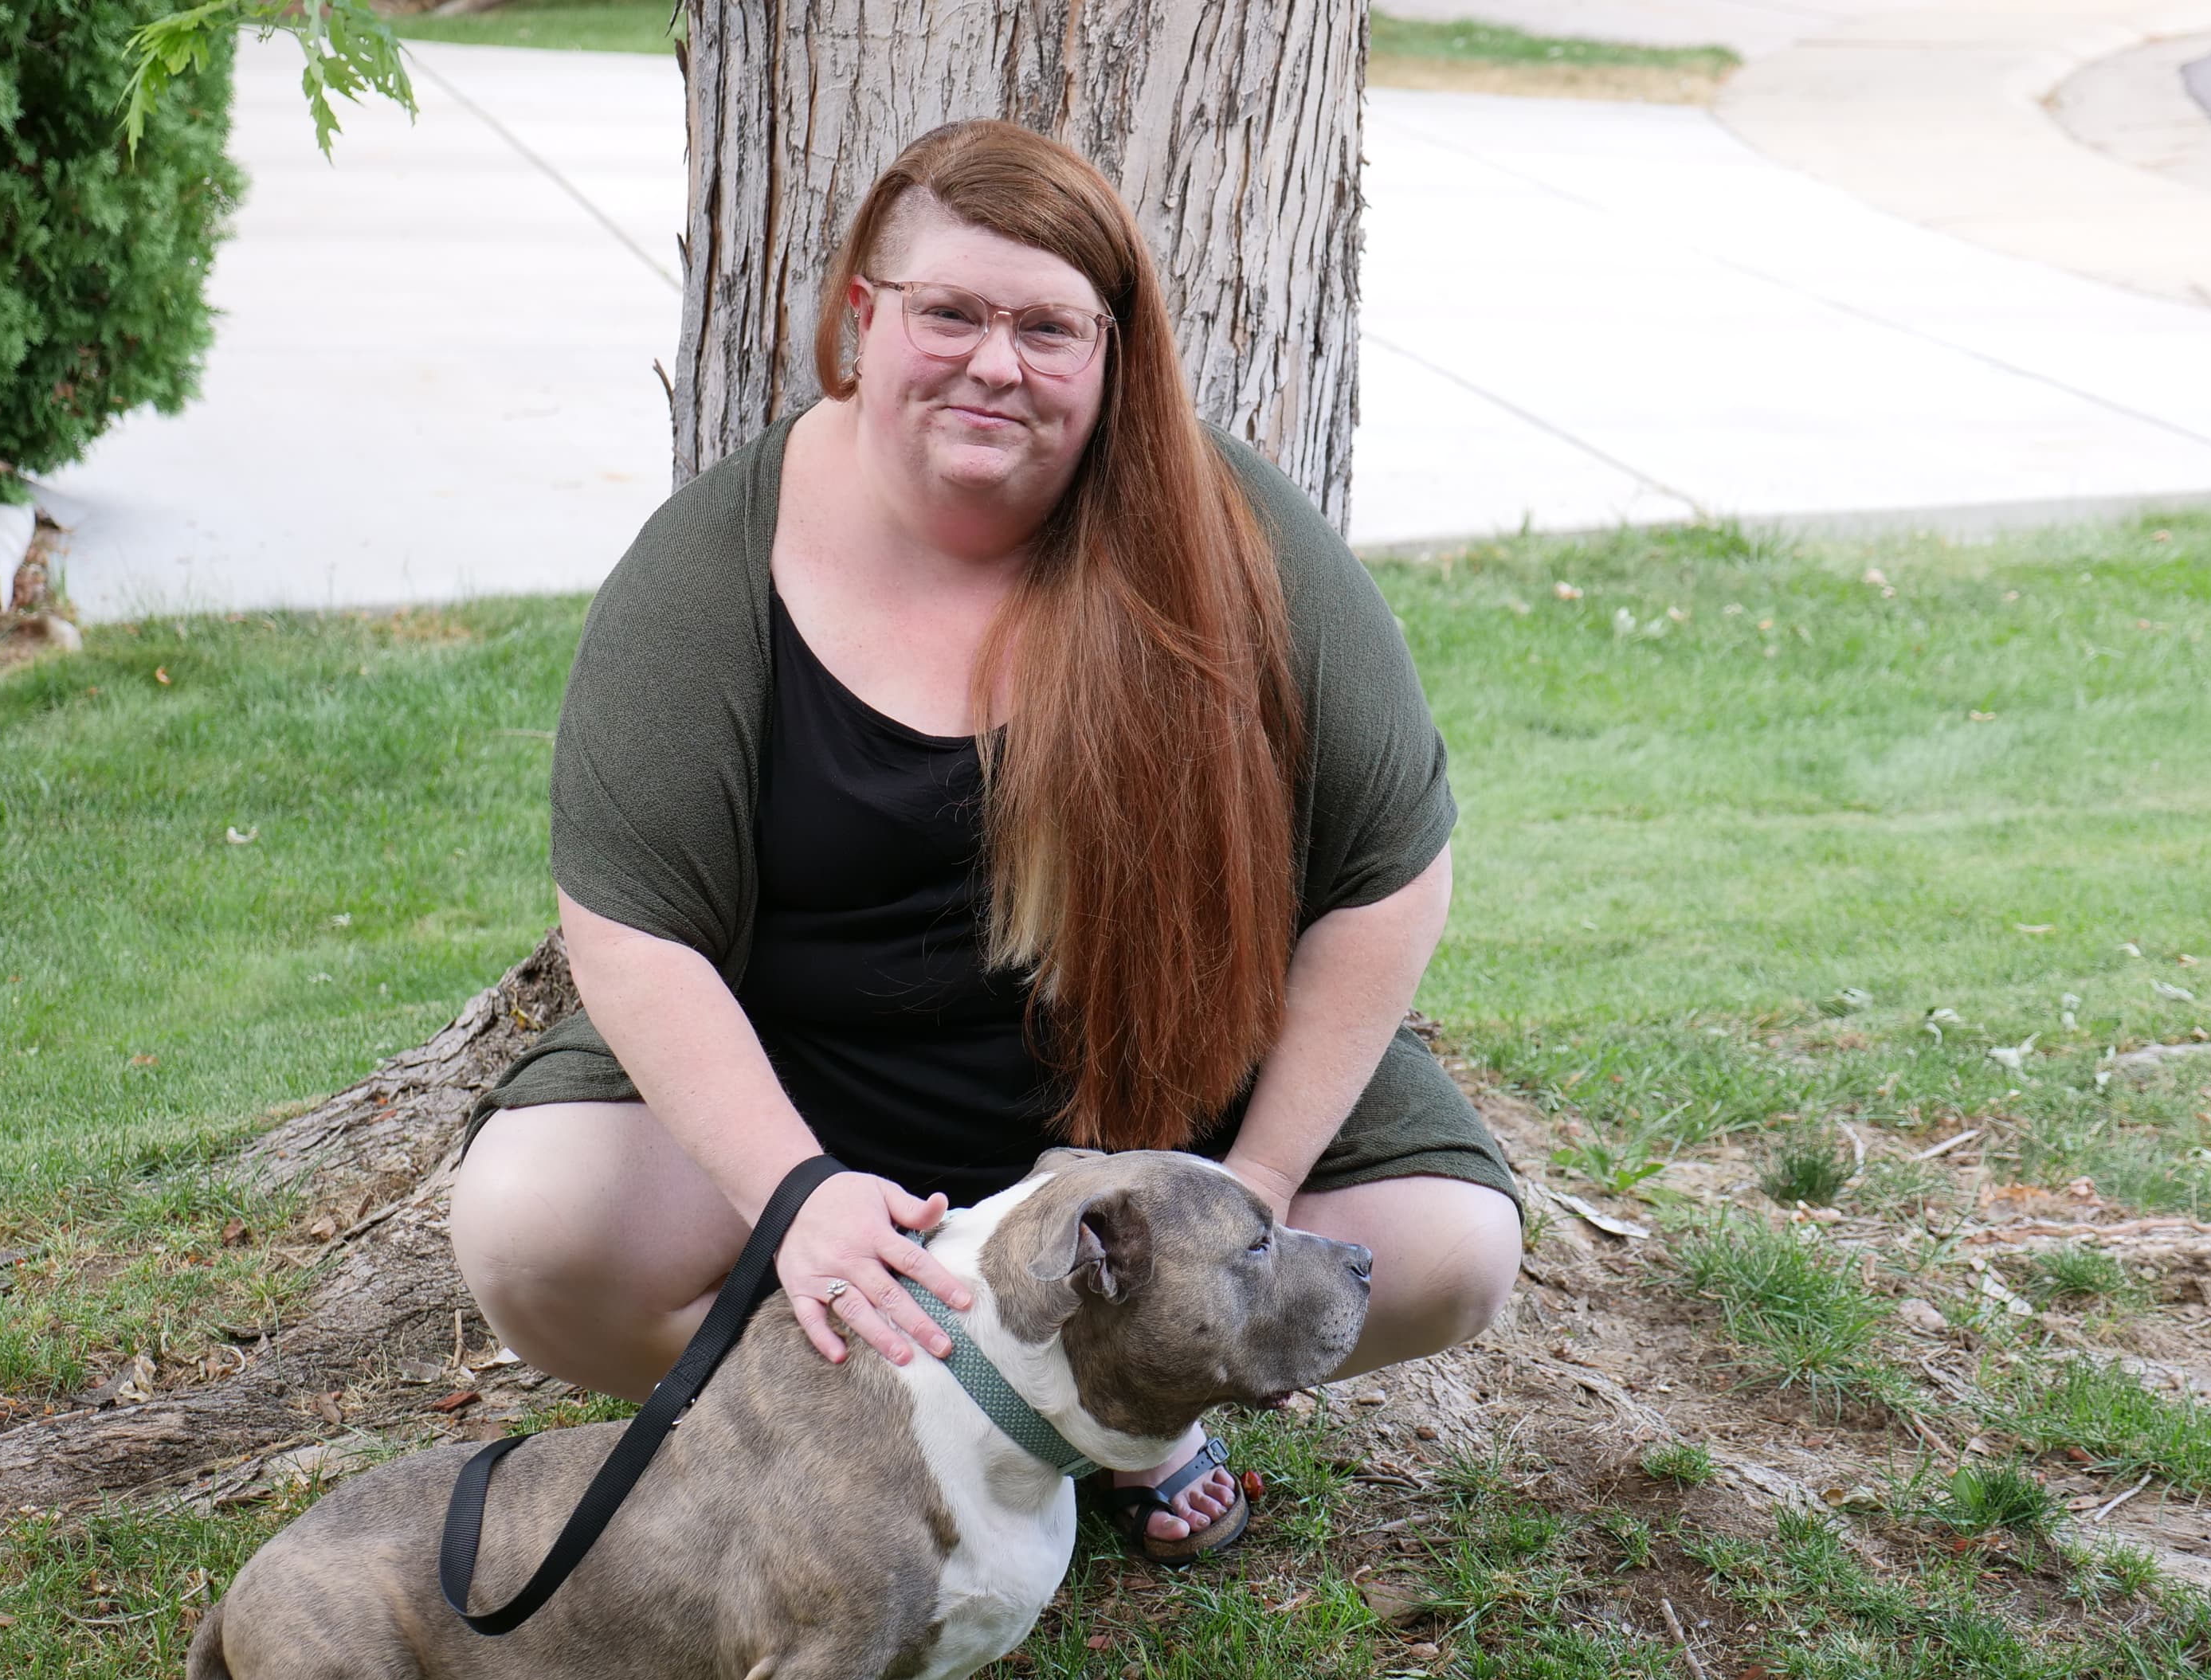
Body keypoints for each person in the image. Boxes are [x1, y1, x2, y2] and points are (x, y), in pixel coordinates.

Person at [449, 118, 1522, 1565]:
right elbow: (632, 928)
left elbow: (1391, 873)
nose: (993, 363)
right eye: (948, 313)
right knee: (539, 1230)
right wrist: (799, 1194)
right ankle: (877, 1437)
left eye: (1047, 328)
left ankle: (1125, 1411)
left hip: (1165, 1104)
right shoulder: (718, 565)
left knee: (1451, 1254)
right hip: (820, 1095)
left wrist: (1250, 1201)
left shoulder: (1232, 534)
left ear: (1112, 349)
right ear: (859, 318)